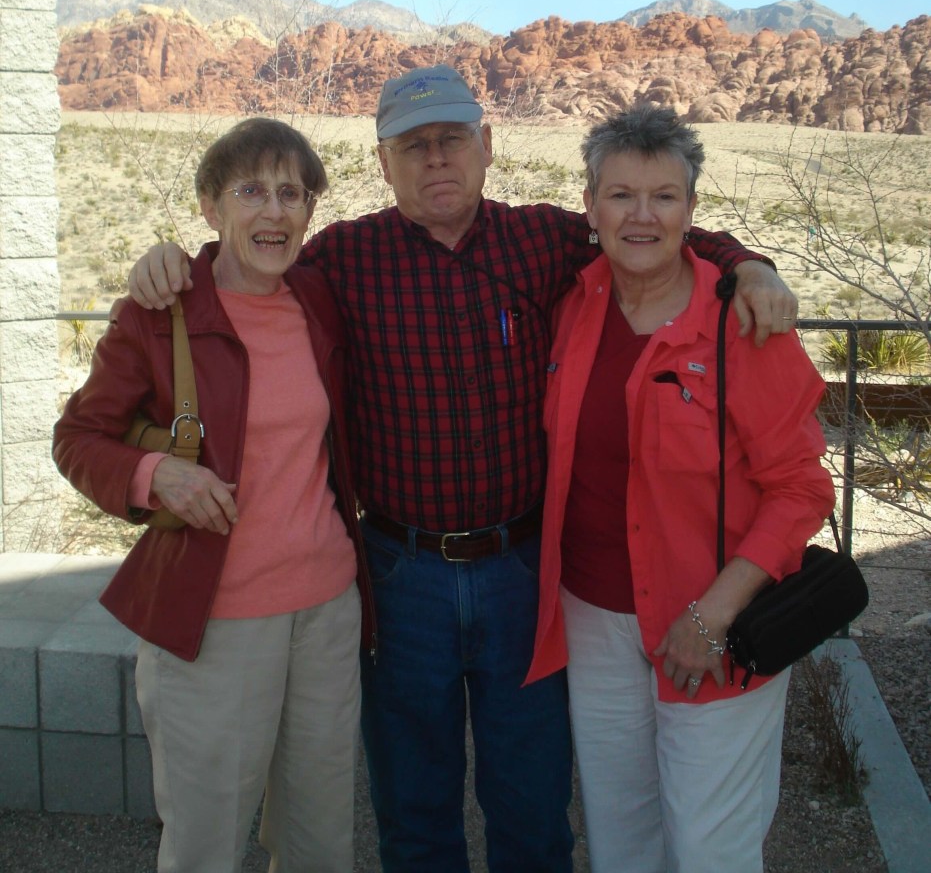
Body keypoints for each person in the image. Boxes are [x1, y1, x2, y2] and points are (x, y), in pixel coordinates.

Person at [127, 66, 798, 873]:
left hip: (521, 574)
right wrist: (172, 262)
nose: (435, 160)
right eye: (414, 147)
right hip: (401, 574)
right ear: (383, 162)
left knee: (531, 801)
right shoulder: (341, 261)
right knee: (414, 804)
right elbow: (243, 263)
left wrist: (748, 263)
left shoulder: (545, 240)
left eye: (452, 140)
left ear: (487, 145)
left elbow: (653, 228)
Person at [53, 118, 373, 873]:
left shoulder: (319, 300)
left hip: (327, 612)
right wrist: (153, 475)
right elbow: (78, 437)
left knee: (319, 837)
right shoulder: (161, 312)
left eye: (291, 193)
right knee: (206, 843)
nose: (273, 211)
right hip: (214, 620)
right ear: (209, 207)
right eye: (250, 190)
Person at [525, 104, 835, 873]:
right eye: (620, 195)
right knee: (621, 834)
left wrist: (711, 615)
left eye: (663, 196)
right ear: (590, 205)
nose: (641, 215)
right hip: (593, 619)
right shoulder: (572, 303)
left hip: (713, 623)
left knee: (708, 847)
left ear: (690, 211)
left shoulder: (742, 325)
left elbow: (799, 490)